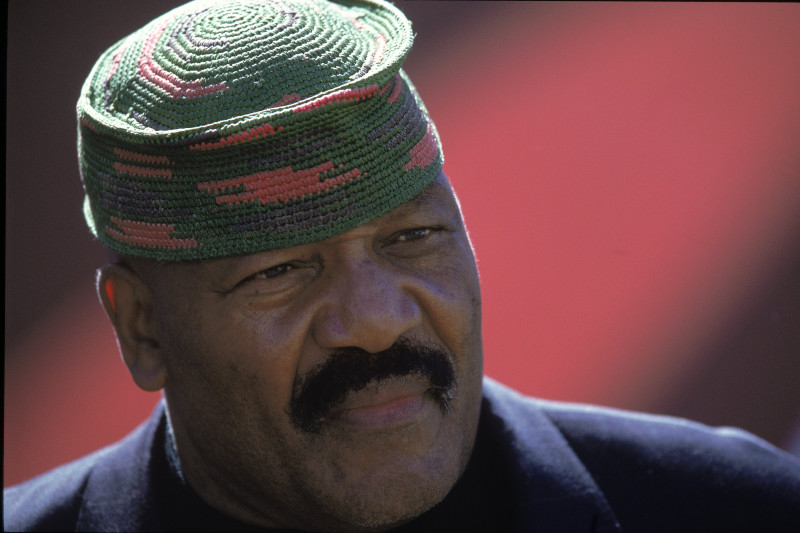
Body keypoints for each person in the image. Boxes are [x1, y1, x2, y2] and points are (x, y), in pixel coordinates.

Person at [4, 0, 800, 531]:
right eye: (280, 271)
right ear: (142, 327)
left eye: (412, 239)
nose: (381, 318)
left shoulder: (731, 509)